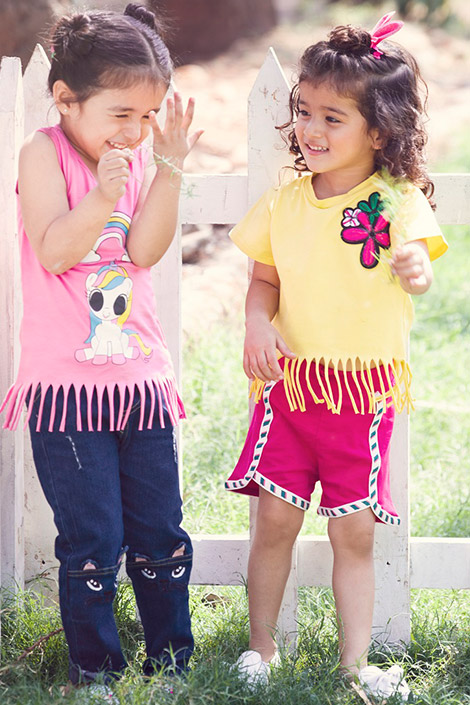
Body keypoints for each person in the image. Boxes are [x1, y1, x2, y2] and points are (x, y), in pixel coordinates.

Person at [225, 11, 447, 700]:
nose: (310, 131)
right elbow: (263, 283)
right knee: (274, 521)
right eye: (303, 112)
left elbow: (420, 257)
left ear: (377, 131)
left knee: (354, 534)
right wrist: (257, 326)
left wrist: (414, 265)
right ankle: (260, 648)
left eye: (332, 118)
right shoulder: (285, 205)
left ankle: (356, 666)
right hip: (290, 392)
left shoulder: (395, 200)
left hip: (358, 395)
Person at [0, 2, 202, 691]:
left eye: (148, 117)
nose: (137, 130)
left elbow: (143, 249)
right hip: (67, 393)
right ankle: (96, 671)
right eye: (122, 114)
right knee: (92, 542)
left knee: (161, 535)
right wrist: (102, 199)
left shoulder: (142, 156)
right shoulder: (42, 152)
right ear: (65, 99)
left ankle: (171, 663)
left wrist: (167, 166)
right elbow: (56, 250)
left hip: (140, 380)